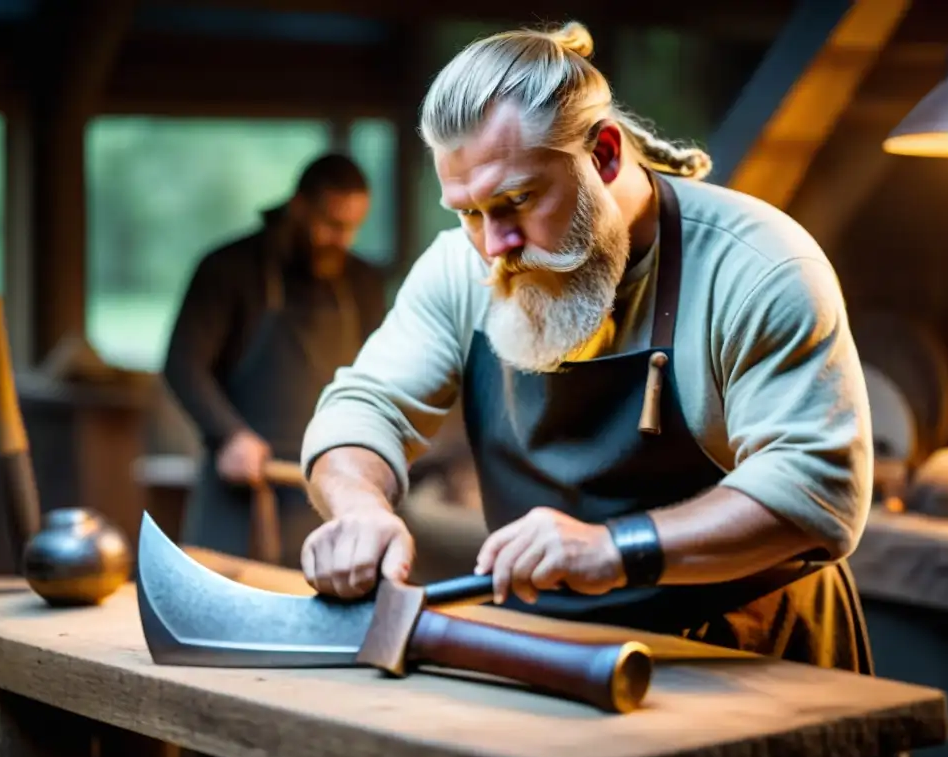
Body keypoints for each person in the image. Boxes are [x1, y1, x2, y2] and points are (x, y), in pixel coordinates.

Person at [298, 22, 876, 672]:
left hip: (751, 651)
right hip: (554, 647)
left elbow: (815, 489)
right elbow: (364, 405)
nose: (493, 245)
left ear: (603, 154)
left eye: (516, 201)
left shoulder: (758, 264)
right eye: (467, 212)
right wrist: (357, 511)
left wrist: (614, 547)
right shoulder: (461, 269)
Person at [163, 153, 387, 568]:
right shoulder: (229, 269)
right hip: (242, 488)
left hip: (330, 487)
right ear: (298, 206)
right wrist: (228, 434)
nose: (343, 239)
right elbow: (182, 364)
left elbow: (382, 376)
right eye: (332, 225)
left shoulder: (363, 282)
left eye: (353, 227)